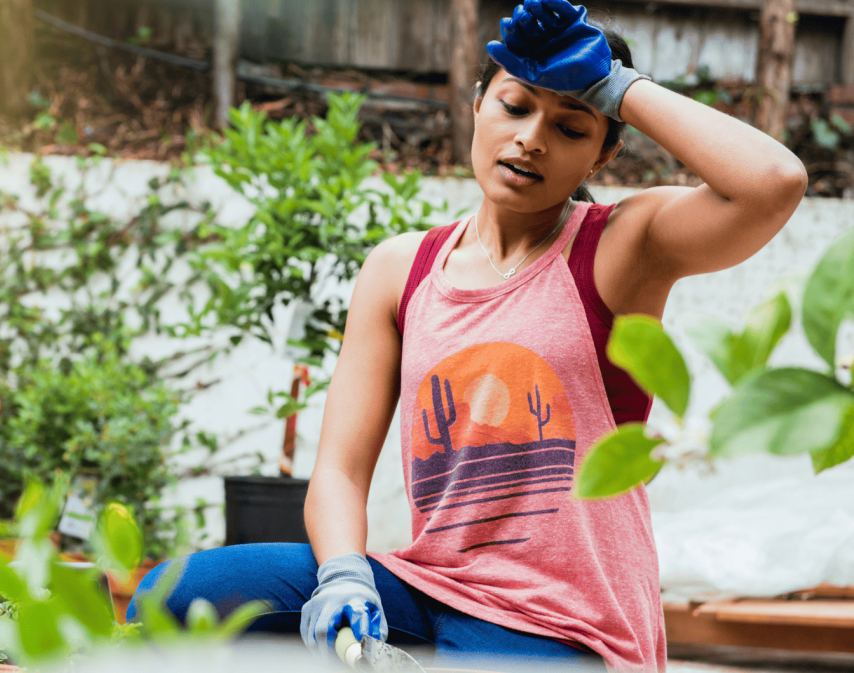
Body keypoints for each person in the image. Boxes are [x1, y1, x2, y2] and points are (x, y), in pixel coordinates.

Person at [127, 2, 807, 670]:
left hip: (564, 623)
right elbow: (338, 468)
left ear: (603, 154)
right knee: (174, 594)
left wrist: (619, 89)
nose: (532, 139)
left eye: (571, 127)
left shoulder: (620, 248)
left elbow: (773, 183)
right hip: (429, 587)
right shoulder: (401, 269)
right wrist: (342, 573)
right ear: (477, 103)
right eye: (515, 106)